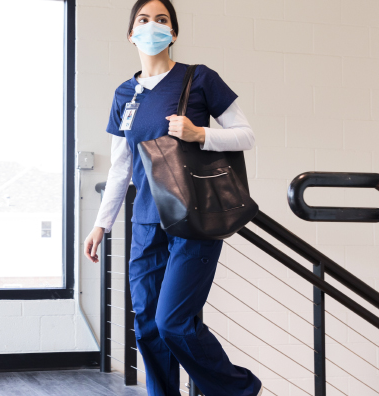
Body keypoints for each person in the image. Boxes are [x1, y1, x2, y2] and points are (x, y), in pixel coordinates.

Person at [82, 1, 263, 395]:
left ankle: (240, 390)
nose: (152, 26)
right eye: (143, 21)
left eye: (162, 20)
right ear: (131, 34)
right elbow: (120, 166)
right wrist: (102, 224)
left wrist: (201, 134)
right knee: (147, 323)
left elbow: (246, 135)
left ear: (174, 33)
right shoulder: (124, 94)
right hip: (146, 222)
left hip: (194, 220)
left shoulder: (199, 79)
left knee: (174, 322)